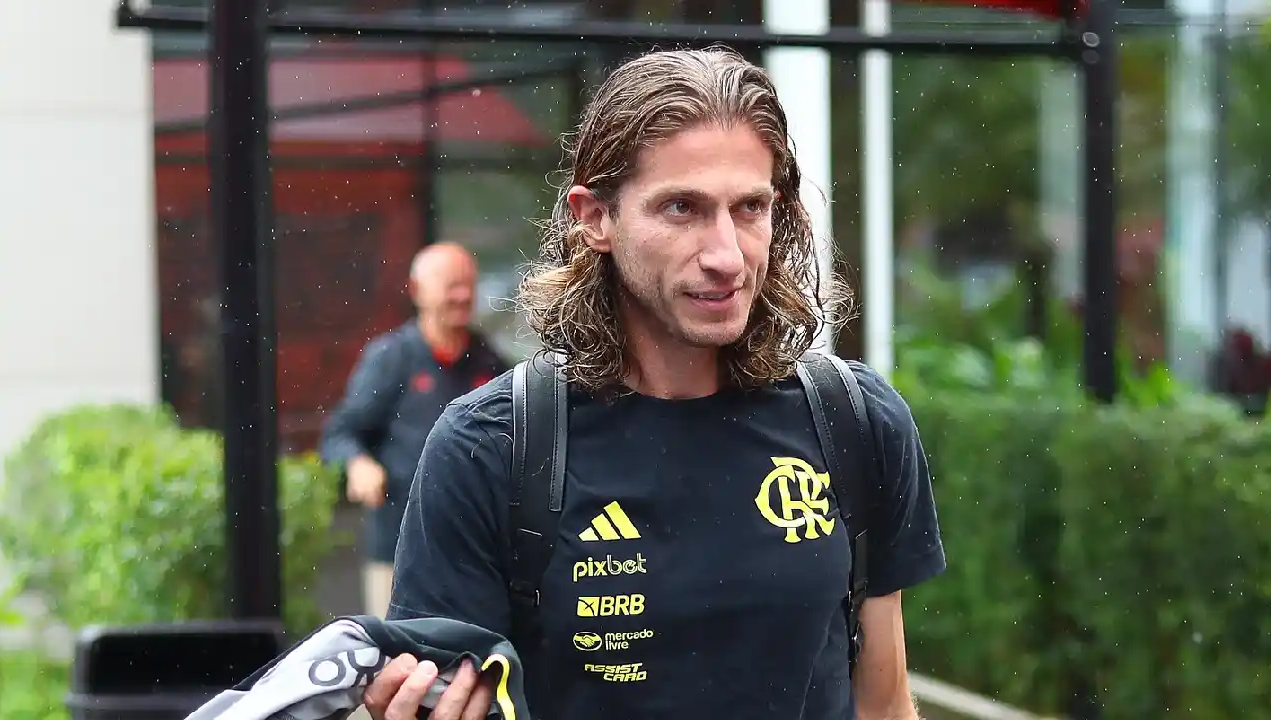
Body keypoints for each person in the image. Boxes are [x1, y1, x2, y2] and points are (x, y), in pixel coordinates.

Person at [364, 47, 946, 720]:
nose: (726, 255)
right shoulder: (491, 447)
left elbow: (885, 702)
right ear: (595, 218)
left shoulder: (853, 420)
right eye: (681, 209)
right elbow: (437, 697)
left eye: (750, 208)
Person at [320, 242, 509, 619]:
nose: (462, 295)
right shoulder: (392, 358)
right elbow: (340, 433)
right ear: (417, 290)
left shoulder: (489, 362)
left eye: (468, 284)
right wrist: (358, 464)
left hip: (476, 555)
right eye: (451, 285)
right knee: (401, 664)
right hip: (398, 550)